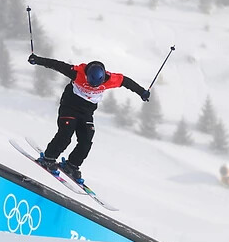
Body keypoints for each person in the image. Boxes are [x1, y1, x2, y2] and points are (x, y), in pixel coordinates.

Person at [28, 53, 150, 183]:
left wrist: (142, 92)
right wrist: (38, 60)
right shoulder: (77, 72)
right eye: (90, 83)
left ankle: (71, 165)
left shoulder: (110, 79)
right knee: (66, 133)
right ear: (87, 75)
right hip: (70, 107)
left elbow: (126, 82)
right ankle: (48, 158)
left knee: (87, 139)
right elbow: (56, 64)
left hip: (86, 112)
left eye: (95, 86)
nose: (92, 87)